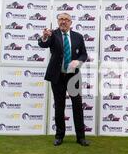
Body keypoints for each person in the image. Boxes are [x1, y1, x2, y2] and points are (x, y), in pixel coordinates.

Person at [38, 13, 90, 146]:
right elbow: (43, 44)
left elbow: (84, 54)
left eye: (66, 20)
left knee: (77, 106)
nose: (63, 22)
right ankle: (59, 136)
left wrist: (78, 61)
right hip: (57, 76)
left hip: (73, 76)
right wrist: (44, 37)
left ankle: (81, 137)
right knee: (59, 106)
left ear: (70, 22)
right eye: (61, 19)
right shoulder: (52, 34)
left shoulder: (78, 37)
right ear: (57, 21)